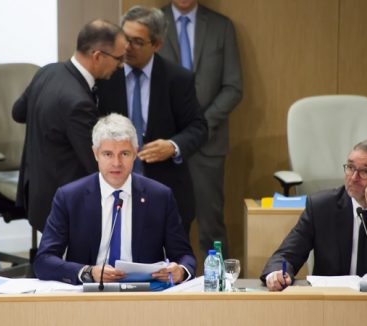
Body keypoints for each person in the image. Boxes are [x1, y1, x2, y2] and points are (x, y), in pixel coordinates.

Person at [34, 113, 196, 285]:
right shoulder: (69, 197)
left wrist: (181, 271)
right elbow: (44, 260)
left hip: (143, 295)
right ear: (95, 154)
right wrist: (87, 273)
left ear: (135, 153)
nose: (117, 163)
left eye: (124, 154)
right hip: (89, 294)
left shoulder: (160, 196)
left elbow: (184, 256)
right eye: (108, 154)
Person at [96, 6, 208, 236]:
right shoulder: (105, 74)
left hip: (164, 186)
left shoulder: (178, 78)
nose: (127, 47)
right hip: (112, 185)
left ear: (157, 45)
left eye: (137, 41)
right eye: (124, 38)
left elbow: (198, 128)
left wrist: (173, 146)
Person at [12, 19, 127, 232]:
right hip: (67, 208)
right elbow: (97, 164)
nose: (121, 65)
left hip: (38, 194)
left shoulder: (47, 72)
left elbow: (18, 113)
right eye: (119, 58)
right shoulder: (78, 103)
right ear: (97, 56)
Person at [261, 139, 367, 291]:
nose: (353, 178)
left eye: (365, 171)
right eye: (350, 167)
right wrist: (277, 273)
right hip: (329, 305)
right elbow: (286, 255)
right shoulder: (322, 207)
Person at [158, 0, 243, 257]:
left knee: (211, 225)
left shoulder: (221, 26)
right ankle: (168, 288)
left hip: (209, 142)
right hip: (163, 143)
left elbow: (233, 87)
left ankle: (217, 290)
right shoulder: (153, 23)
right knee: (165, 224)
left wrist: (199, 127)